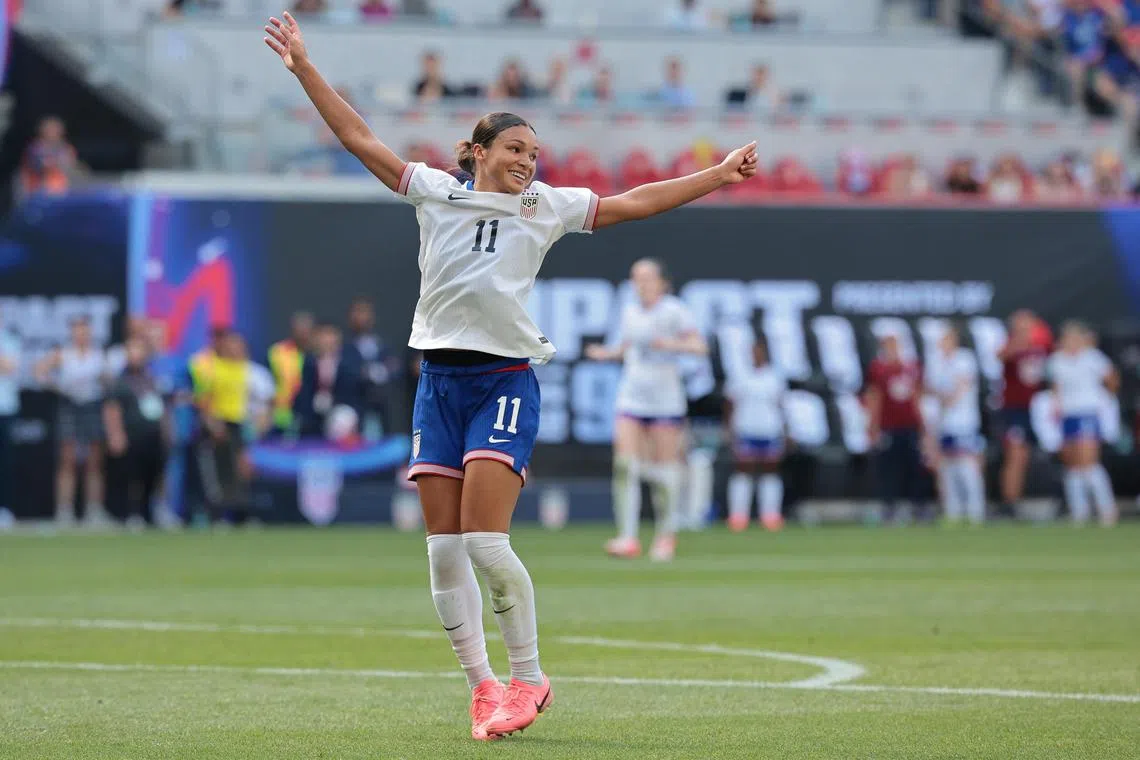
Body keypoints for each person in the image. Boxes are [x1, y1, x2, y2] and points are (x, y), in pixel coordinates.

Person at [263, 9, 757, 741]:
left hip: (503, 380)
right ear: (477, 151)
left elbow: (636, 201)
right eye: (516, 148)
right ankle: (483, 689)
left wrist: (716, 175)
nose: (530, 160)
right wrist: (305, 66)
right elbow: (359, 136)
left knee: (486, 544)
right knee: (442, 553)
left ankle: (528, 677)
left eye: (536, 151)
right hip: (439, 383)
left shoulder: (545, 206)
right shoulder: (435, 190)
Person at [585, 259, 708, 560]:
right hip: (632, 397)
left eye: (647, 278)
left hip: (665, 399)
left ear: (662, 281)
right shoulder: (629, 311)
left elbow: (699, 346)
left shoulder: (674, 310)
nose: (641, 284)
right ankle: (627, 536)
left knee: (665, 471)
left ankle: (666, 534)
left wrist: (668, 344)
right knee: (625, 466)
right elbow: (627, 347)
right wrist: (605, 354)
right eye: (636, 278)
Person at [36, 317, 110, 528]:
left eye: (85, 331)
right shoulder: (63, 354)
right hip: (69, 404)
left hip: (91, 405)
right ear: (72, 333)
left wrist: (101, 385)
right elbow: (39, 371)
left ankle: (94, 510)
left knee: (95, 461)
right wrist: (57, 385)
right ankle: (65, 511)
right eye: (77, 331)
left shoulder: (98, 355)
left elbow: (107, 380)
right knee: (67, 459)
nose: (81, 335)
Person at [195, 330, 273, 524]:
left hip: (244, 427)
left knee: (244, 472)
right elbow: (204, 401)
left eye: (237, 345)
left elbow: (266, 404)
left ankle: (244, 515)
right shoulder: (211, 370)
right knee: (220, 473)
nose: (233, 349)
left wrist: (259, 428)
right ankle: (218, 515)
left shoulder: (254, 372)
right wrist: (212, 425)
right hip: (220, 425)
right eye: (229, 345)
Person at [1048, 321, 1120, 525]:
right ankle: (1079, 511)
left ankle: (1106, 509)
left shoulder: (1093, 358)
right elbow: (1056, 388)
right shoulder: (1057, 361)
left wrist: (1105, 401)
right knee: (1072, 463)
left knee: (1088, 461)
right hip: (1067, 416)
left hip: (1087, 413)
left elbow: (1112, 379)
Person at [103, 336, 171, 529]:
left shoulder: (152, 378)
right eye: (132, 351)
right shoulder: (120, 380)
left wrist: (166, 430)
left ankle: (151, 512)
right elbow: (111, 408)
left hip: (153, 435)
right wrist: (115, 434)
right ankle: (131, 514)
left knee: (154, 475)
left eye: (139, 351)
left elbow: (163, 406)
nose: (136, 355)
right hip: (131, 434)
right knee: (132, 478)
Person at [723, 338, 786, 532]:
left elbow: (781, 405)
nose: (756, 355)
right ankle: (738, 515)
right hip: (746, 429)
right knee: (743, 470)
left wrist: (786, 431)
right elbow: (730, 404)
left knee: (770, 471)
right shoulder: (739, 376)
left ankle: (770, 515)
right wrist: (729, 429)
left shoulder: (775, 376)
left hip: (769, 429)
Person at [926, 325, 985, 526]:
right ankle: (953, 510)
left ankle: (975, 509)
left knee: (966, 464)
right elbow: (931, 389)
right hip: (943, 422)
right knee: (946, 467)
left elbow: (961, 387)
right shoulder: (936, 362)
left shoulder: (964, 359)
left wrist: (946, 399)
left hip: (963, 421)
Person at [865, 333, 926, 523]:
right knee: (889, 468)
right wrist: (873, 425)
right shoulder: (878, 369)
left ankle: (918, 507)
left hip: (910, 425)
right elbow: (874, 397)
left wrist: (922, 423)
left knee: (915, 467)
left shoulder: (911, 367)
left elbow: (917, 395)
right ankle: (889, 507)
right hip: (888, 426)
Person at [997, 310, 1051, 516]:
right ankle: (1010, 504)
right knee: (1016, 456)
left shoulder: (1043, 344)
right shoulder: (1012, 345)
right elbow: (1000, 356)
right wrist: (1019, 340)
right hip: (1015, 409)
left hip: (1040, 408)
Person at [295, 324, 362, 439]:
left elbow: (354, 392)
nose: (326, 340)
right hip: (314, 416)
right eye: (323, 336)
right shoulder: (308, 362)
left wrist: (333, 403)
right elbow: (304, 391)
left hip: (342, 410)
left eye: (330, 335)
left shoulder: (350, 361)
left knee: (343, 417)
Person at [268, 311, 314, 436]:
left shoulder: (317, 354)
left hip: (312, 415)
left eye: (306, 328)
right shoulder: (277, 352)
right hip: (282, 414)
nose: (303, 333)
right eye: (299, 328)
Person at [19, 116, 77, 200]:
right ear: (41, 131)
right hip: (37, 192)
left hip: (61, 192)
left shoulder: (66, 148)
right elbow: (42, 165)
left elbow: (69, 165)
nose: (52, 132)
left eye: (55, 130)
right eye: (49, 130)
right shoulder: (34, 148)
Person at [0, 311, 20, 515]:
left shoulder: (10, 340)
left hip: (5, 407)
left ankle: (4, 508)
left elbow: (9, 367)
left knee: (5, 461)